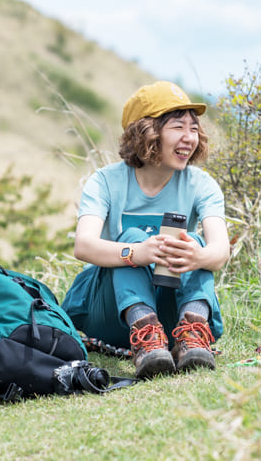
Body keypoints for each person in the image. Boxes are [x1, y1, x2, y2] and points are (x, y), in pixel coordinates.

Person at [62, 81, 230, 378]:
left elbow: (220, 251)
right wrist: (136, 252)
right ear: (147, 133)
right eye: (178, 127)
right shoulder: (105, 181)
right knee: (131, 241)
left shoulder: (201, 184)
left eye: (193, 128)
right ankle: (145, 334)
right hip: (113, 314)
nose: (189, 138)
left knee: (192, 242)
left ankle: (192, 336)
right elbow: (83, 245)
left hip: (171, 315)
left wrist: (196, 257)